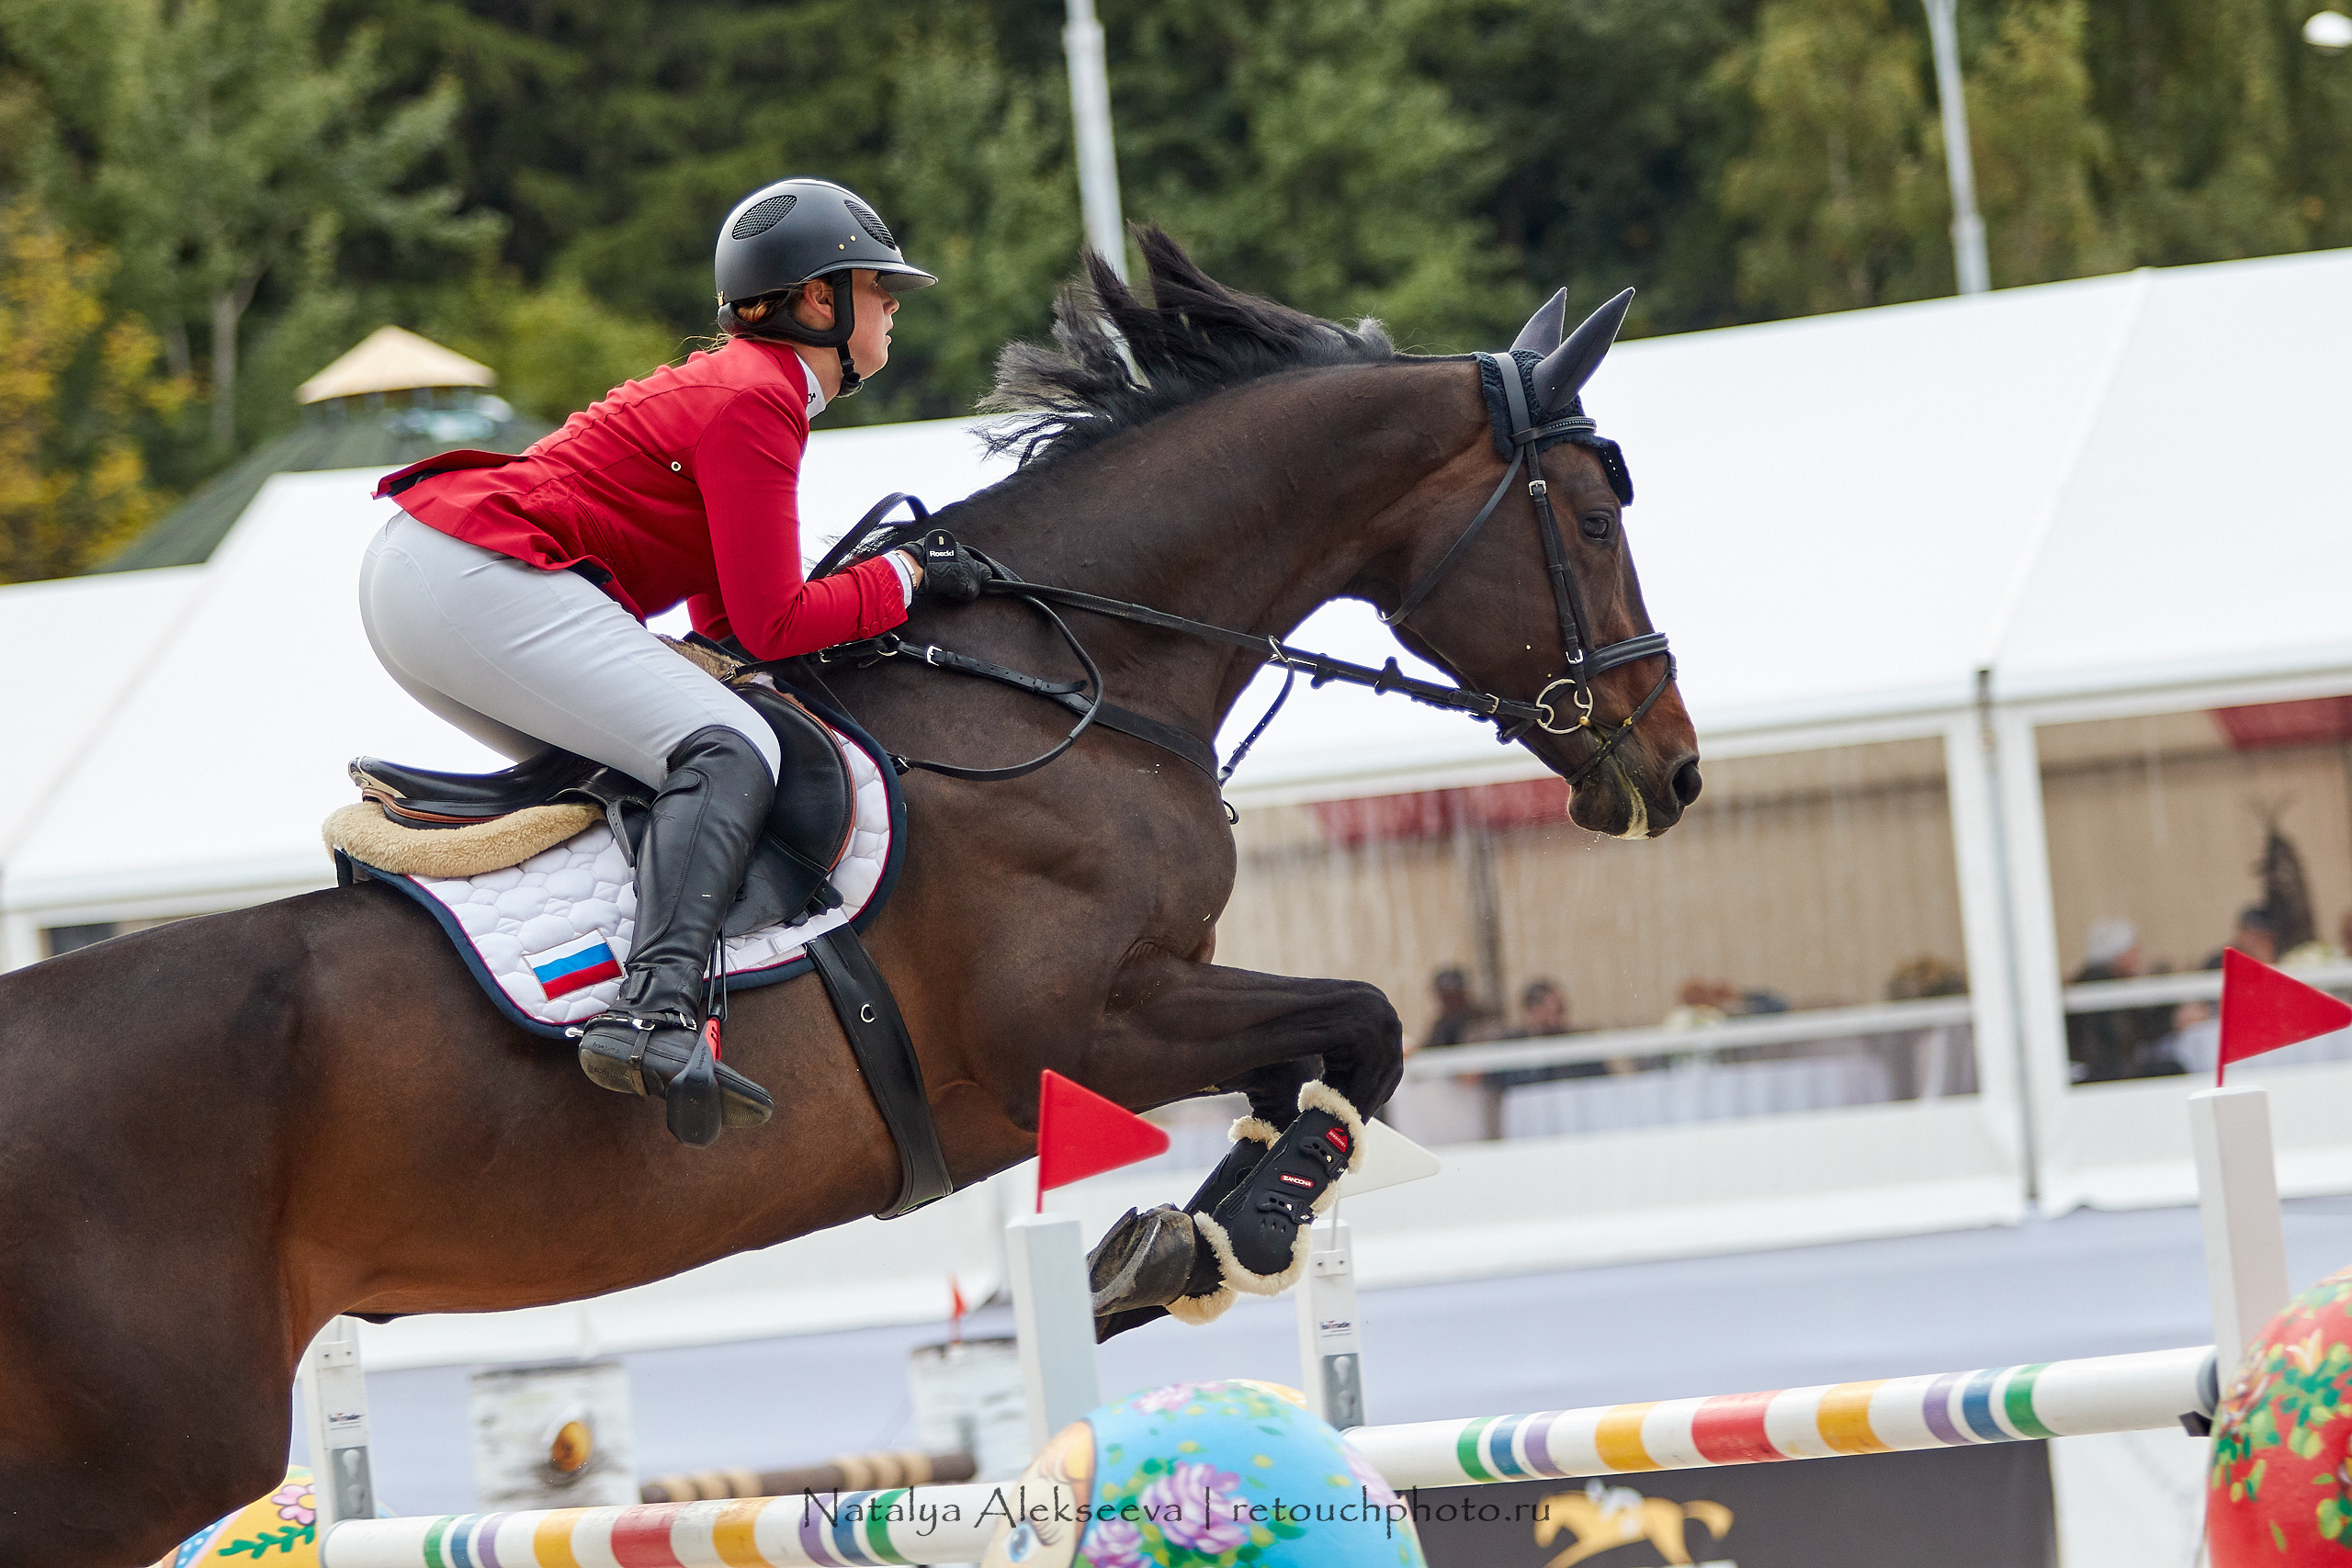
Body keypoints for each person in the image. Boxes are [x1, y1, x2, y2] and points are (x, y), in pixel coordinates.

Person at [357, 178, 983, 1147]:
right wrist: (905, 578)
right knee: (729, 747)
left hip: (436, 579)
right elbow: (774, 626)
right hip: (469, 574)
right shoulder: (759, 397)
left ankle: (588, 976)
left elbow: (728, 620)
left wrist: (869, 590)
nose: (895, 305)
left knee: (664, 757)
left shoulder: (746, 390)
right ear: (822, 301)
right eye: (879, 286)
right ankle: (651, 1010)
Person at [2064, 918, 2179, 1082]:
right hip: (2107, 1074)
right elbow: (2130, 1033)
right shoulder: (2104, 985)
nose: (2137, 955)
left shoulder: (2098, 981)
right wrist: (2172, 1021)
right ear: (2118, 954)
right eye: (2132, 950)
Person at [1415, 967, 1491, 1052]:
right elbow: (1428, 1053)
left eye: (1455, 996)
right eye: (1446, 997)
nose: (1451, 1002)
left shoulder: (1483, 1020)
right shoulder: (1441, 1027)